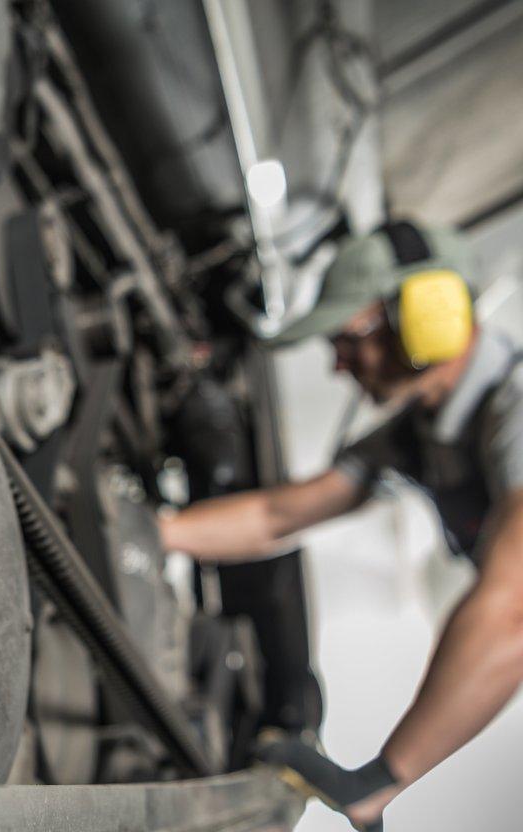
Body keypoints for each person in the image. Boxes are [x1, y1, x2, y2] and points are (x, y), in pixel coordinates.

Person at [159, 220, 523, 831]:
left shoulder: (516, 409)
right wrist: (154, 533)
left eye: (349, 338)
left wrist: (379, 781)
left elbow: (514, 607)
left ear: (426, 315)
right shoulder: (420, 435)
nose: (338, 365)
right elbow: (280, 515)